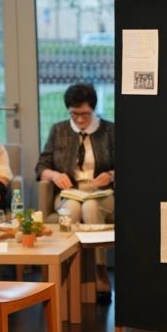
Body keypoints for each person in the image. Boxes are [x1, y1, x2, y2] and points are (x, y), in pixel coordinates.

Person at [35, 83, 115, 302]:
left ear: (93, 109)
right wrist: (54, 175)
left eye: (85, 114)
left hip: (102, 193)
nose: (79, 119)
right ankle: (68, 271)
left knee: (90, 206)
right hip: (69, 193)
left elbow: (128, 165)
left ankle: (98, 271)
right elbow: (41, 166)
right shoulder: (58, 130)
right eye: (74, 114)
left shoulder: (109, 130)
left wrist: (110, 175)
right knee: (70, 209)